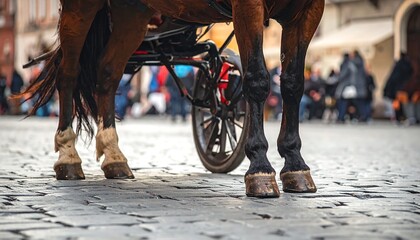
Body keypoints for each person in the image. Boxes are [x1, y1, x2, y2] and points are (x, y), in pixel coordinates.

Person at [383, 52, 413, 123]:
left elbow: (393, 79)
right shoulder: (406, 66)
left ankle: (399, 117)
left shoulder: (398, 66)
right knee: (404, 104)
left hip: (397, 89)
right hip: (403, 88)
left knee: (398, 104)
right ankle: (404, 117)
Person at [335, 52, 357, 123]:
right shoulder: (352, 64)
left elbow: (342, 76)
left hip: (344, 87)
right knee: (346, 103)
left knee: (342, 103)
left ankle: (341, 117)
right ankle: (342, 117)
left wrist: (336, 78)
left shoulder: (346, 64)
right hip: (349, 87)